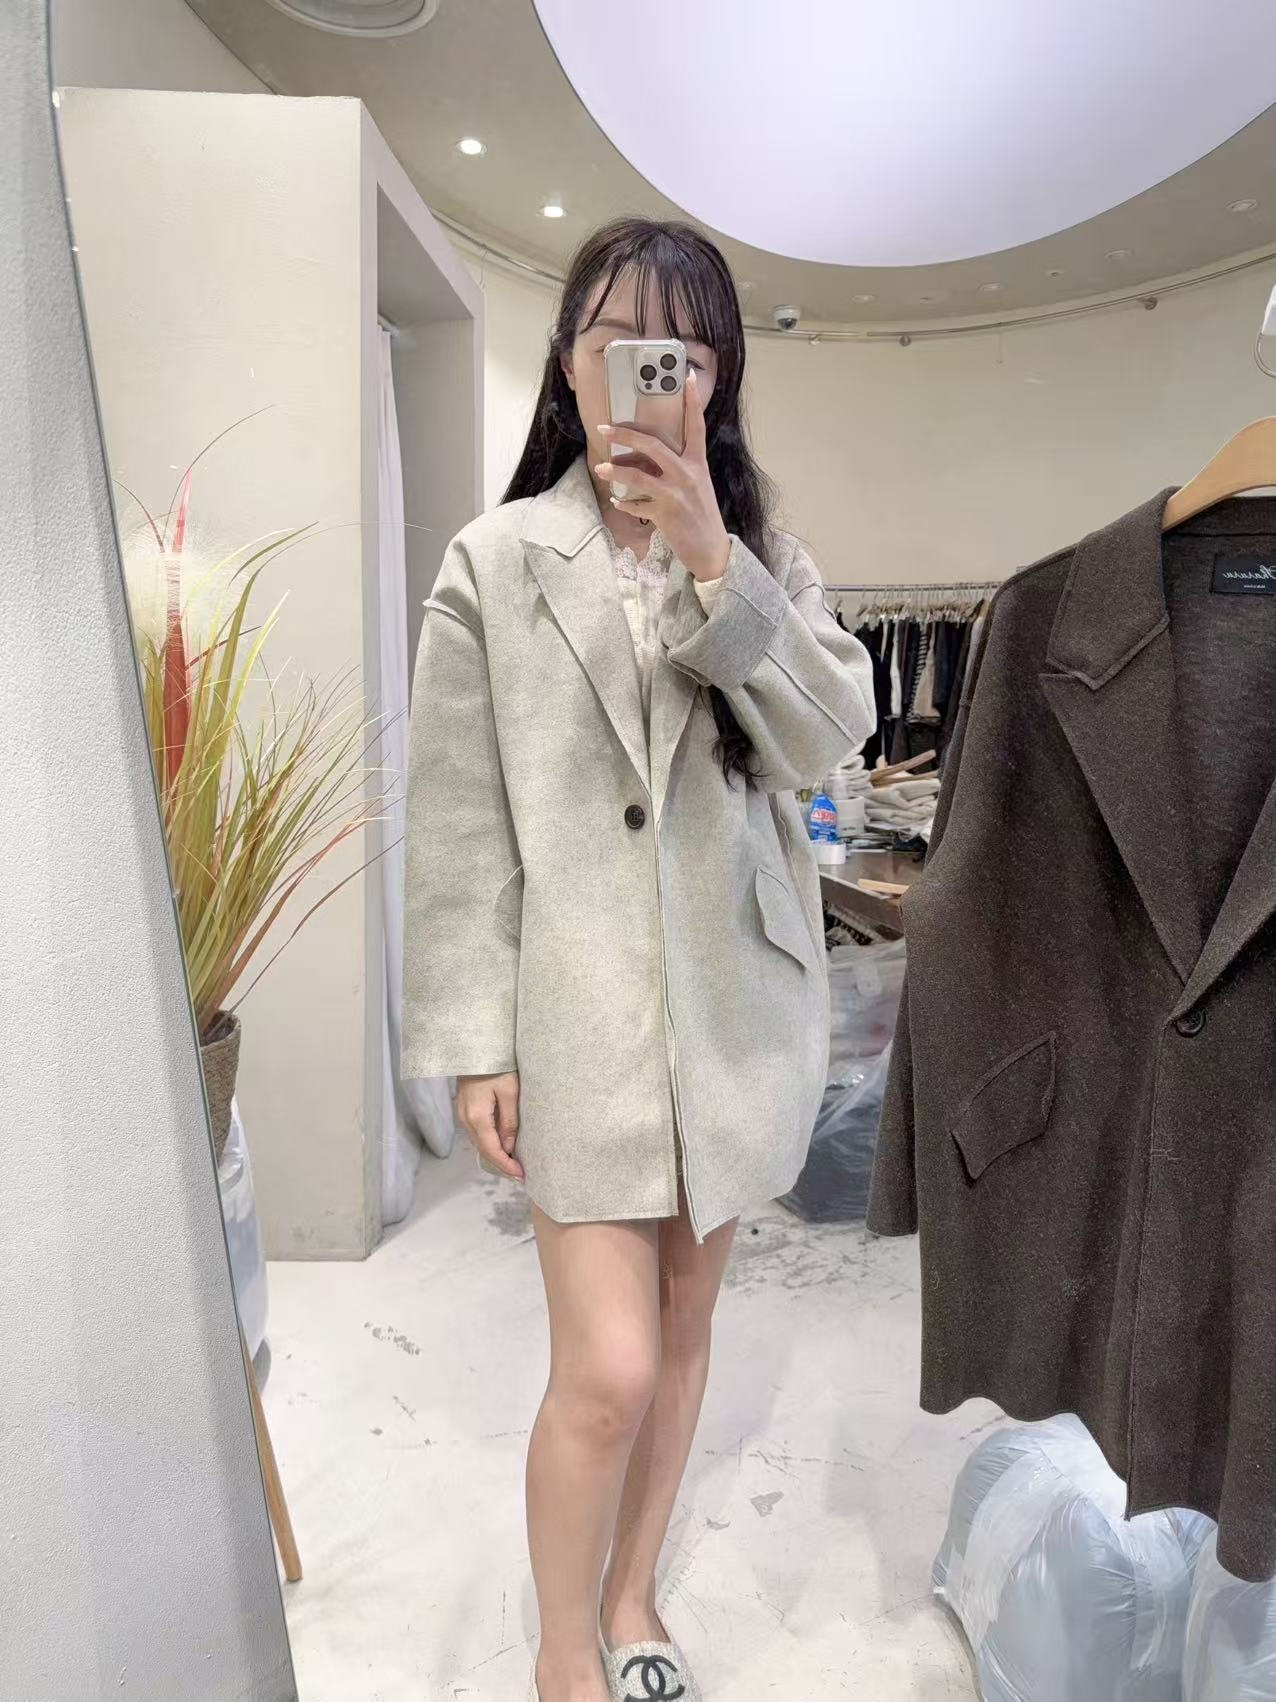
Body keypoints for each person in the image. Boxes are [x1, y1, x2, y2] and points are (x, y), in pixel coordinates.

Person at [401, 218, 874, 1702]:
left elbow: (829, 740)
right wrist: (475, 1037)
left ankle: (632, 1592)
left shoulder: (765, 561)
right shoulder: (495, 562)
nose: (648, 372)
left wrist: (714, 561)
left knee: (681, 1328)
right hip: (582, 1016)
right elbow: (460, 822)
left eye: (682, 351)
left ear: (713, 380)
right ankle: (563, 1648)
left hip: (734, 1014)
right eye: (617, 341)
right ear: (570, 362)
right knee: (603, 1368)